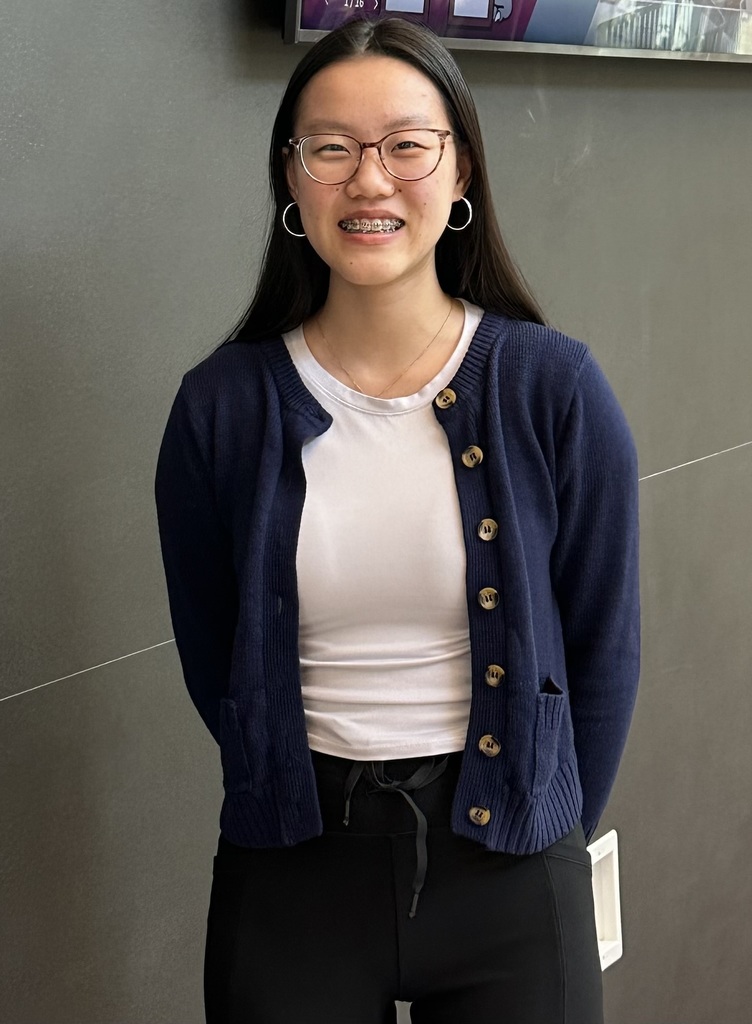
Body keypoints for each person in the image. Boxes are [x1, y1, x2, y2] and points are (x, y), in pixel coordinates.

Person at [154, 16, 640, 1024]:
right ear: (291, 178)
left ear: (460, 171)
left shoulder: (553, 387)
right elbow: (217, 657)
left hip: (510, 870)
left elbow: (604, 649)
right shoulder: (221, 407)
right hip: (290, 871)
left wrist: (546, 829)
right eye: (329, 148)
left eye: (406, 145)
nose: (368, 181)